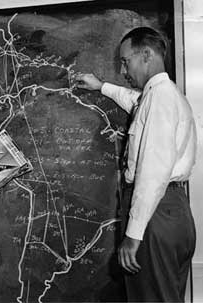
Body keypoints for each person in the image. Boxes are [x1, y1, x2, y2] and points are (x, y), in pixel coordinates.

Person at [75, 27, 196, 302]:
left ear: (146, 55)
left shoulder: (160, 98)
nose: (123, 70)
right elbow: (135, 102)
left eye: (125, 61)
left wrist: (134, 234)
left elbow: (152, 172)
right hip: (172, 213)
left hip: (155, 214)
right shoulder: (162, 96)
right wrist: (101, 86)